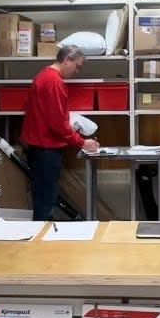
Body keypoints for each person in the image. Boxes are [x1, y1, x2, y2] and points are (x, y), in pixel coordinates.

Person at [22, 44, 99, 220]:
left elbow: (48, 117)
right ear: (67, 59)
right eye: (77, 66)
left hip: (39, 148)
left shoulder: (44, 76)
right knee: (45, 202)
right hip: (46, 150)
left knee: (43, 198)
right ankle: (40, 245)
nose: (77, 71)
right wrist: (82, 142)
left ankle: (40, 241)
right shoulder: (53, 82)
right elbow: (56, 124)